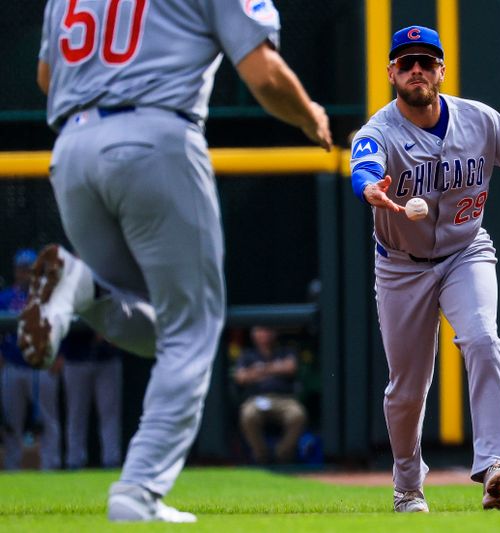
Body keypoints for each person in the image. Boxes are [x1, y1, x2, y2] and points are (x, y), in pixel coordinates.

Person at [25, 0, 331, 523]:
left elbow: (46, 75)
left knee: (152, 325)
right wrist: (311, 115)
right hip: (155, 137)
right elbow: (263, 73)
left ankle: (80, 286)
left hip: (72, 150)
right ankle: (139, 487)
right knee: (193, 329)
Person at [349, 25, 500, 512]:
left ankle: (495, 466)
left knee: (484, 338)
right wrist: (369, 188)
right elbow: (363, 166)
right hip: (401, 267)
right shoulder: (378, 132)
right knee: (407, 390)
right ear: (391, 73)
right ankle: (407, 485)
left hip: (467, 251)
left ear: (442, 69)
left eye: (426, 61)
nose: (416, 69)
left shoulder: (480, 120)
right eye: (406, 62)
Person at [1, 249, 62, 470]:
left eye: (29, 269)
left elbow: (60, 327)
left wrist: (59, 356)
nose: (24, 273)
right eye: (21, 269)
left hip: (42, 366)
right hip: (13, 366)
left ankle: (50, 466)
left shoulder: (49, 297)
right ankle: (12, 467)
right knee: (11, 422)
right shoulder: (5, 298)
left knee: (48, 420)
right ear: (16, 271)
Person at [233, 326, 306, 464]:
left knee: (297, 414)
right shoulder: (247, 355)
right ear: (253, 334)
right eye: (260, 331)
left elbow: (291, 367)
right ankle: (262, 456)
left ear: (274, 333)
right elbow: (241, 377)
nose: (264, 335)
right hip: (256, 399)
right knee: (248, 414)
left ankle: (282, 455)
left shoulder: (285, 350)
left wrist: (259, 370)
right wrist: (275, 368)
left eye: (267, 330)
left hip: (284, 399)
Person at [60, 330, 122, 469]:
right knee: (76, 414)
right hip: (76, 357)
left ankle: (111, 460)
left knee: (109, 414)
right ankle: (74, 461)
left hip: (106, 357)